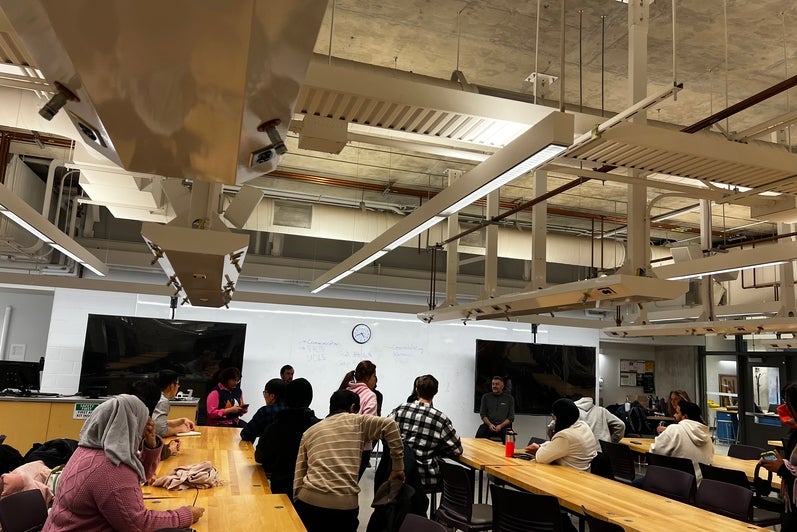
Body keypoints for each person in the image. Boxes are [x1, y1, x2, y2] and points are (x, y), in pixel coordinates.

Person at [42, 395, 204, 531]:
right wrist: (185, 515)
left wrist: (151, 444)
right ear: (134, 424)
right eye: (143, 420)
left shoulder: (88, 450)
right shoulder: (112, 467)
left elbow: (140, 478)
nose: (148, 424)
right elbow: (138, 523)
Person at [293, 390, 405, 532]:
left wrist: (298, 502)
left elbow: (299, 472)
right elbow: (391, 426)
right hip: (343, 506)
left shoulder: (310, 431)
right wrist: (397, 468)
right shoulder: (358, 421)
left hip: (308, 502)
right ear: (353, 408)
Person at [387, 374, 462, 492]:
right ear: (435, 392)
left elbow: (385, 431)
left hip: (398, 472)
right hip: (426, 476)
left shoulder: (401, 409)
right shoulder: (440, 418)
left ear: (416, 390)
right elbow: (457, 450)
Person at [255, 378, 319, 494]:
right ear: (310, 399)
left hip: (281, 487)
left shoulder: (276, 426)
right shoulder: (317, 426)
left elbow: (260, 456)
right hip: (310, 489)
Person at [760, 382, 797, 531]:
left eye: (788, 404)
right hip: (791, 508)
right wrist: (785, 464)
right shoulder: (794, 432)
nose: (785, 409)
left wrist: (782, 468)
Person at [525, 398, 598, 471]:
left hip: (569, 476)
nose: (553, 420)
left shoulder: (566, 436)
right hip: (584, 474)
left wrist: (539, 449)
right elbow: (558, 445)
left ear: (560, 417)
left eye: (554, 417)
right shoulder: (583, 426)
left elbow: (541, 458)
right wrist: (541, 446)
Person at [650, 399, 713, 481]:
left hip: (674, 484)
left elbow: (654, 452)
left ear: (685, 416)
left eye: (677, 413)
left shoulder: (674, 430)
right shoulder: (707, 436)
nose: (674, 415)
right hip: (698, 486)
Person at [339, 360, 379, 479]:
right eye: (374, 376)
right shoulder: (370, 395)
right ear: (368, 377)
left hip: (341, 446)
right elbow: (369, 427)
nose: (375, 379)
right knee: (351, 486)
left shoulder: (345, 390)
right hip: (360, 450)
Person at [548, 395, 625, 445]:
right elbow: (621, 425)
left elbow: (551, 426)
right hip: (603, 451)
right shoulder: (601, 411)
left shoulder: (571, 411)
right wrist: (612, 442)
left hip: (580, 451)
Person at [240, 378, 287, 442]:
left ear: (272, 396)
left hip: (266, 450)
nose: (264, 395)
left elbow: (246, 434)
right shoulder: (292, 410)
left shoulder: (265, 412)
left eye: (265, 392)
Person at [152, 370, 196, 437]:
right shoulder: (163, 401)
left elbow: (155, 423)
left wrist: (181, 421)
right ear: (172, 385)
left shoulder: (154, 395)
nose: (178, 387)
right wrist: (179, 429)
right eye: (177, 384)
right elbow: (160, 431)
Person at [475, 375, 514, 440]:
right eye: (493, 384)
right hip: (488, 425)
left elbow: (511, 417)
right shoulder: (486, 397)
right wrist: (490, 424)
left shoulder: (509, 398)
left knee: (510, 438)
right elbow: (483, 414)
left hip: (504, 426)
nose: (494, 386)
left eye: (497, 384)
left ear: (502, 386)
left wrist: (500, 426)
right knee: (479, 435)